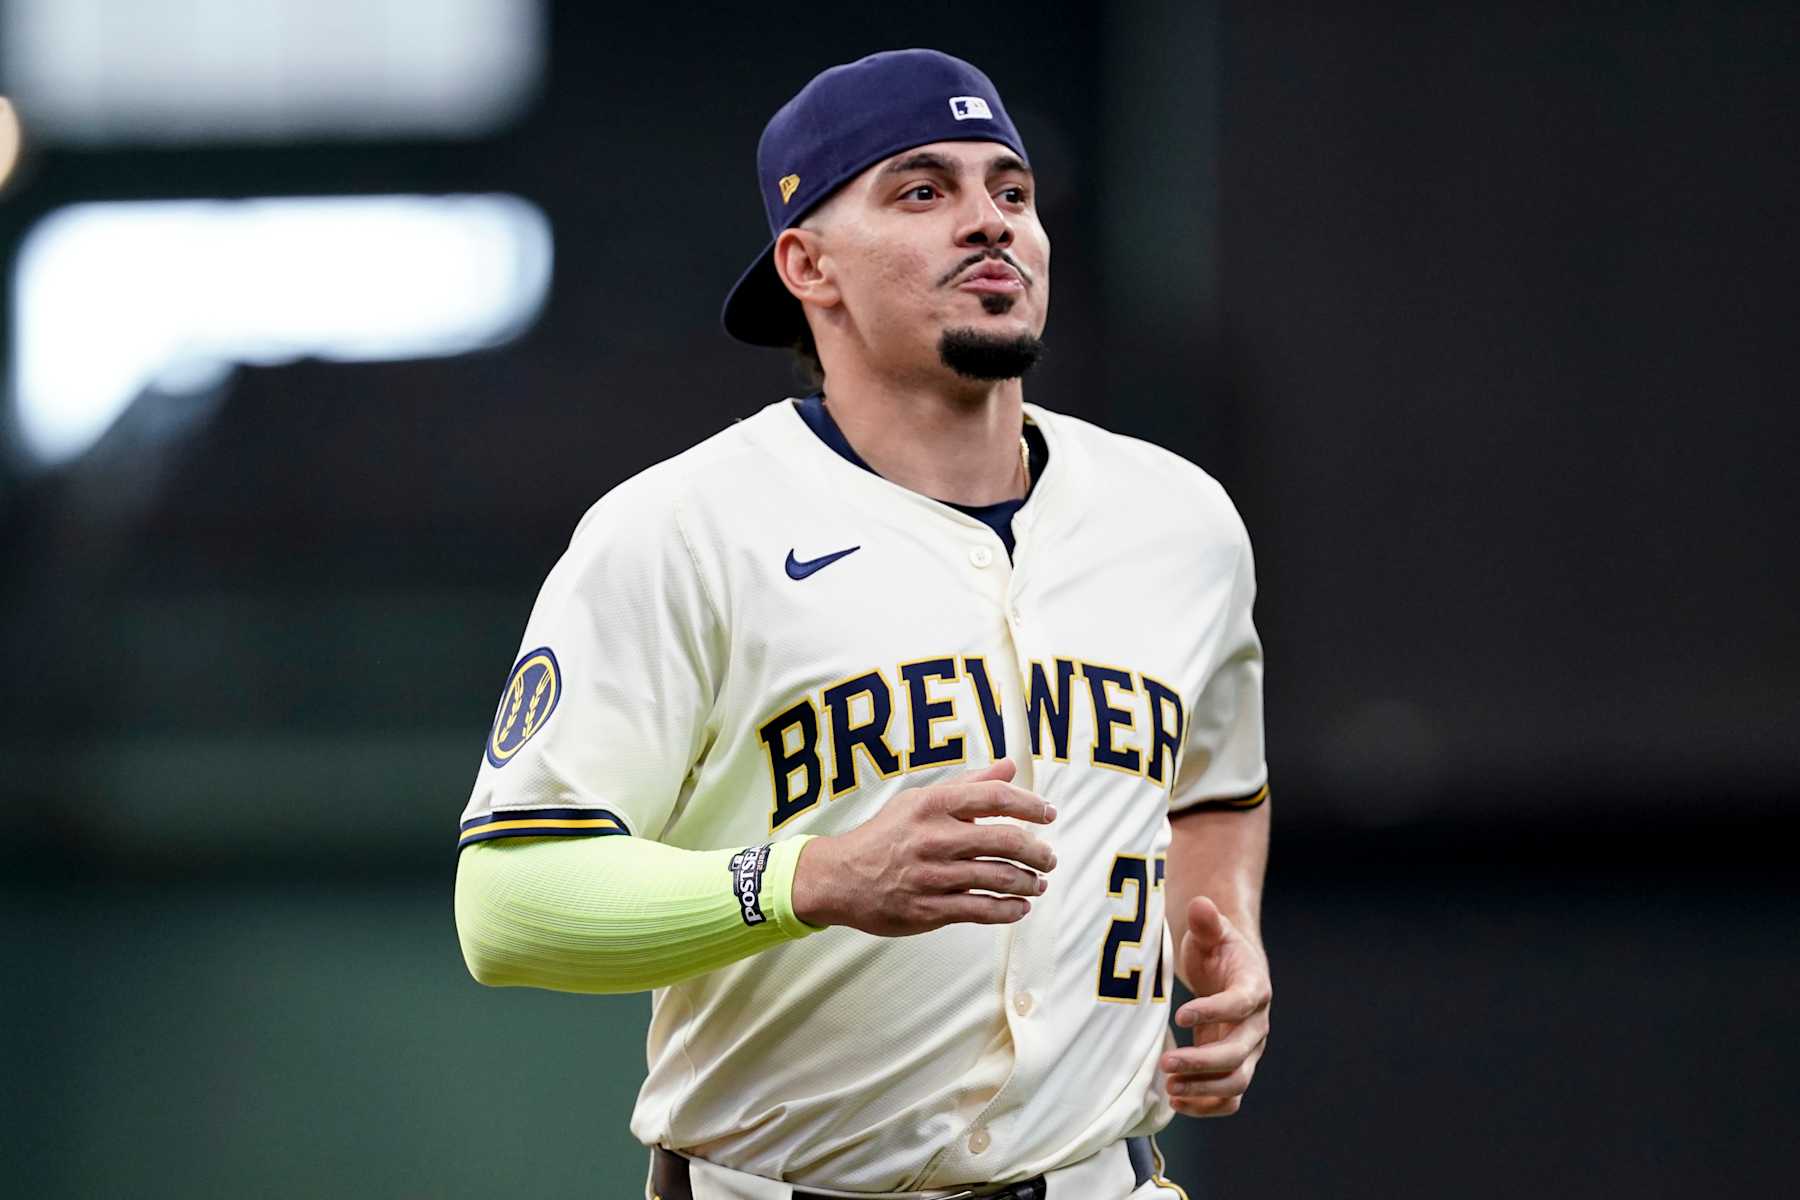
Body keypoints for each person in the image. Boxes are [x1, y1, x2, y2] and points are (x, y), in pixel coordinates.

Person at [454, 48, 1271, 1200]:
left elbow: (1219, 788)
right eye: (923, 191)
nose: (989, 222)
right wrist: (814, 877)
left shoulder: (1180, 521)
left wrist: (1226, 930)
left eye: (1012, 191)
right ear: (807, 263)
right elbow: (507, 906)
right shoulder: (682, 529)